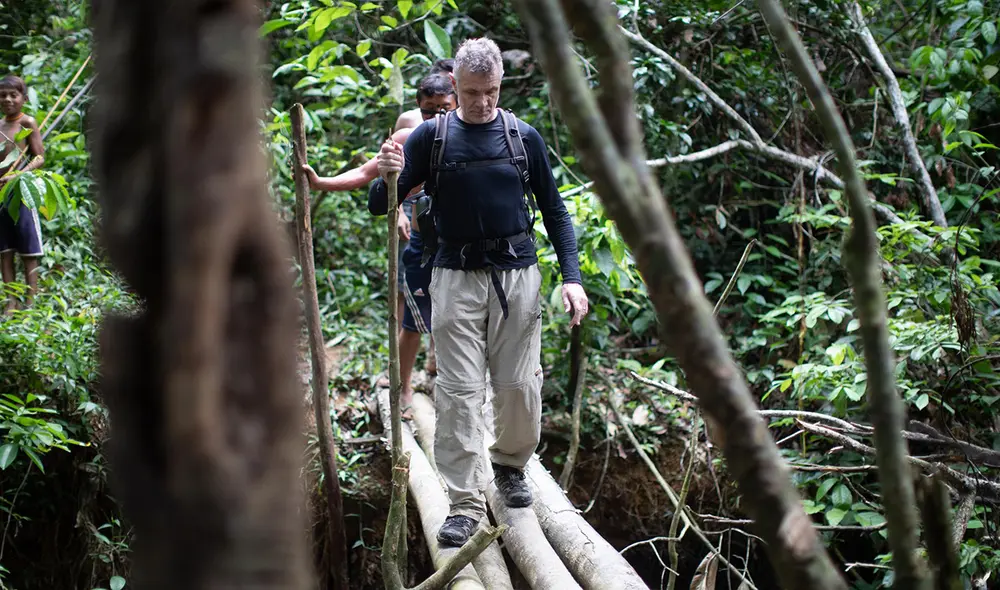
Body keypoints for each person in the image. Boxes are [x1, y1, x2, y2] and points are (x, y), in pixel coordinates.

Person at [368, 38, 589, 547]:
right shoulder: (432, 137)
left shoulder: (522, 136)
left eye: (490, 92)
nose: (481, 103)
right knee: (460, 392)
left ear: (500, 87)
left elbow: (555, 211)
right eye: (471, 93)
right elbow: (383, 202)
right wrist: (388, 172)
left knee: (518, 386)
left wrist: (572, 277)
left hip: (518, 275)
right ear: (455, 87)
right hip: (454, 275)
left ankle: (510, 464)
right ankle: (465, 503)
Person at [302, 71, 457, 416]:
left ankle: (449, 391)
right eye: (430, 110)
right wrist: (320, 182)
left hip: (459, 250)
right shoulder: (407, 137)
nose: (438, 117)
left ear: (457, 103)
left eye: (445, 108)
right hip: (423, 245)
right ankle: (401, 393)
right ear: (419, 108)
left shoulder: (471, 135)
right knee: (413, 323)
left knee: (455, 324)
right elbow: (365, 174)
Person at [0, 75, 45, 313]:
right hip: (1, 194)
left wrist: (18, 175)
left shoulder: (28, 123)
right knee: (4, 250)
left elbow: (39, 157)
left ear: (23, 99)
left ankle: (31, 300)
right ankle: (11, 302)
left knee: (29, 249)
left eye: (13, 95)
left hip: (22, 192)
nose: (7, 99)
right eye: (3, 95)